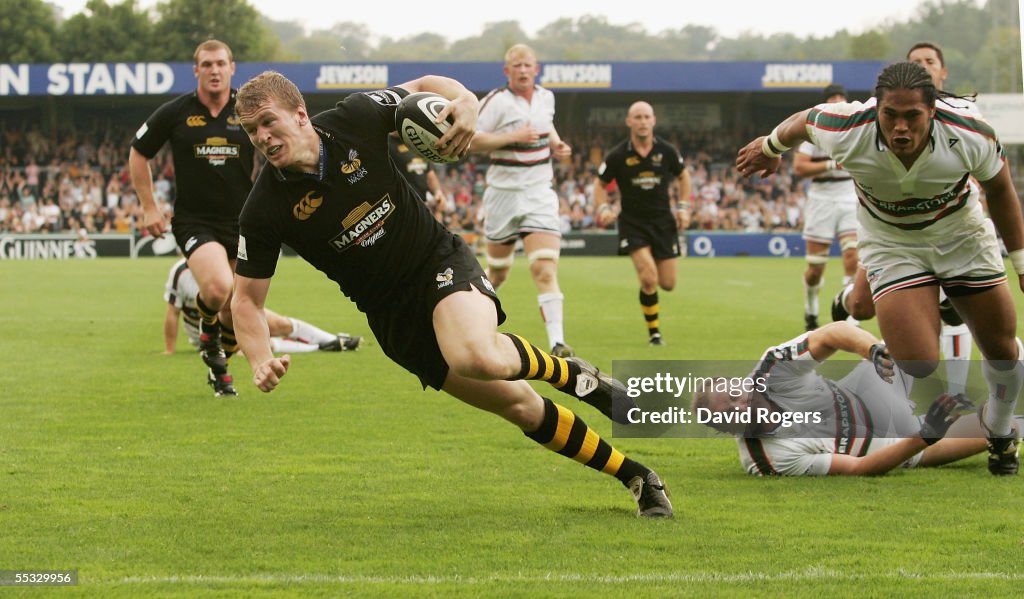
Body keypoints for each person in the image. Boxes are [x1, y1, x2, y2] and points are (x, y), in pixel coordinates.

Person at [230, 70, 672, 517]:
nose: (262, 136)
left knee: (475, 355)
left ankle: (575, 376)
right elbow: (246, 300)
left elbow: (424, 84)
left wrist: (464, 100)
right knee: (520, 406)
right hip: (393, 318)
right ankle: (636, 476)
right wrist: (258, 359)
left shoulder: (356, 117)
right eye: (251, 131)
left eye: (269, 121)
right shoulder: (263, 210)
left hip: (436, 261)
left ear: (300, 114)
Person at [736, 61, 1024, 475]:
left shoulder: (970, 132)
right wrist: (769, 148)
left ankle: (1000, 429)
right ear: (876, 111)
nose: (900, 127)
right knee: (919, 363)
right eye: (890, 115)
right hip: (893, 245)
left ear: (933, 112)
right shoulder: (847, 125)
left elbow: (999, 188)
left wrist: (1020, 261)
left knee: (1001, 350)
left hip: (961, 238)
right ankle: (890, 298)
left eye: (912, 116)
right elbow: (802, 121)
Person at [830, 42, 976, 396]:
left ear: (943, 73)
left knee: (953, 305)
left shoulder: (967, 115)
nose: (923, 67)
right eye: (915, 63)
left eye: (930, 62)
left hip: (950, 228)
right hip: (889, 232)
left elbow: (986, 171)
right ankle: (847, 297)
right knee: (863, 307)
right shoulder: (883, 116)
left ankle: (954, 398)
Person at [692, 322, 1014, 476]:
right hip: (894, 442)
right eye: (728, 413)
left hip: (870, 385)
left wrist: (873, 350)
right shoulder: (766, 459)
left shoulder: (773, 368)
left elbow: (832, 334)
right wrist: (924, 437)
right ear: (726, 429)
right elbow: (858, 468)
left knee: (915, 334)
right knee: (1002, 428)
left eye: (734, 395)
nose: (738, 405)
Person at [129, 39, 256, 398]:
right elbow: (139, 153)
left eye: (220, 64)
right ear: (196, 70)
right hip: (194, 221)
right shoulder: (176, 112)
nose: (214, 70)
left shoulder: (249, 110)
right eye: (207, 64)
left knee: (237, 314)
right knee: (217, 288)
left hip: (242, 223)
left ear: (232, 69)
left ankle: (219, 368)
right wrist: (149, 206)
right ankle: (206, 323)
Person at [471, 44, 575, 358]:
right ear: (507, 71)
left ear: (537, 68)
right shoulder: (494, 102)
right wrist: (511, 138)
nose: (523, 70)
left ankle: (558, 343)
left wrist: (556, 142)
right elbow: (471, 140)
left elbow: (546, 123)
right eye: (517, 65)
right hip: (503, 195)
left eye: (528, 65)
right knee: (498, 272)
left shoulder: (547, 98)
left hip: (539, 192)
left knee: (544, 269)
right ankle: (468, 315)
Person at [592, 101, 690, 346]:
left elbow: (684, 176)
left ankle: (654, 322)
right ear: (629, 122)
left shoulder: (666, 151)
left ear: (653, 121)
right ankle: (654, 334)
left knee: (667, 284)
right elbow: (599, 184)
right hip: (632, 223)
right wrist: (603, 207)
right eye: (638, 117)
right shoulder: (618, 154)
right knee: (648, 278)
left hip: (663, 222)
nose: (643, 121)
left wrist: (684, 207)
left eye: (647, 117)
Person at [163, 257, 362, 357]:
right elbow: (172, 313)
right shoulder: (179, 273)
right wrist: (169, 350)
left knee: (280, 325)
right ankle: (320, 346)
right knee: (255, 346)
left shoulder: (223, 266)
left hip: (234, 320)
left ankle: (332, 340)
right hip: (206, 339)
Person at [791, 84, 858, 331]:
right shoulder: (815, 132)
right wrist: (832, 166)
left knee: (852, 255)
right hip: (821, 199)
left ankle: (851, 318)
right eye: (833, 99)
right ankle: (811, 309)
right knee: (816, 268)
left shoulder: (854, 131)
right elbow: (799, 167)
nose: (838, 102)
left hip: (850, 196)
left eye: (841, 98)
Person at [388, 132, 447, 222]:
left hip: (423, 202)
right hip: (404, 205)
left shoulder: (417, 139)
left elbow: (430, 173)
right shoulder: (386, 142)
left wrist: (438, 192)